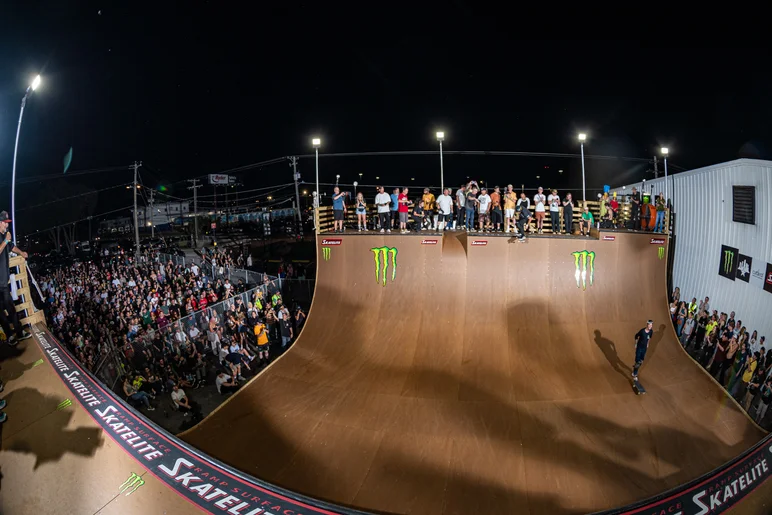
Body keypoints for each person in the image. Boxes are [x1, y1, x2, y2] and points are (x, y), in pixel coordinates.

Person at [0, 211, 32, 345]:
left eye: (7, 223)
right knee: (1, 313)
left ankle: (19, 332)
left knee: (11, 309)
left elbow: (12, 247)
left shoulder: (4, 236)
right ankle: (9, 336)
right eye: (5, 223)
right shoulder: (3, 238)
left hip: (3, 281)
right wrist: (5, 240)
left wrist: (21, 253)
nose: (7, 226)